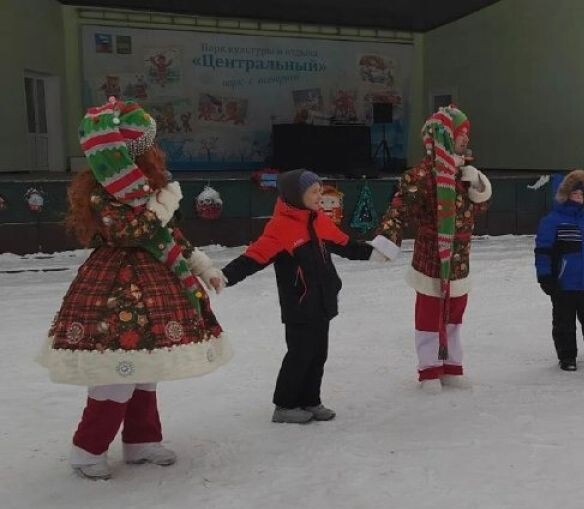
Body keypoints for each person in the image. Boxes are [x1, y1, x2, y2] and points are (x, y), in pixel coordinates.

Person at [39, 98, 231, 480]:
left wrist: (202, 266)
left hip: (155, 285)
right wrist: (162, 204)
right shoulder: (103, 193)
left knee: (146, 370)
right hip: (114, 293)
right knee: (114, 372)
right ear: (128, 155)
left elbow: (169, 235)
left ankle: (142, 441)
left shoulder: (149, 191)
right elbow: (128, 233)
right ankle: (87, 449)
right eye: (147, 147)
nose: (155, 154)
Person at [221, 169, 374, 423]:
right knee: (300, 354)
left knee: (318, 354)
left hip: (323, 301)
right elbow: (252, 258)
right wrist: (224, 276)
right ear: (295, 195)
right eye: (313, 192)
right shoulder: (280, 228)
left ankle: (310, 400)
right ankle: (284, 405)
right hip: (300, 305)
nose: (319, 196)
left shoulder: (318, 220)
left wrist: (374, 253)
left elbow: (345, 246)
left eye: (320, 190)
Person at [368, 106, 492, 391]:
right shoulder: (422, 175)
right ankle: (429, 370)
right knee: (429, 315)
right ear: (445, 136)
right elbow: (400, 209)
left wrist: (477, 184)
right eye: (461, 134)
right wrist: (388, 239)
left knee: (455, 315)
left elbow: (481, 208)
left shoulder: (465, 171)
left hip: (460, 259)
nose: (466, 139)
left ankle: (451, 366)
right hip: (430, 257)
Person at [534, 170, 584, 372]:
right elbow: (543, 251)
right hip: (563, 283)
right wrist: (545, 277)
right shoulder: (551, 221)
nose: (578, 198)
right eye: (574, 195)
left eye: (581, 195)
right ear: (563, 195)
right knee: (564, 323)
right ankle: (567, 356)